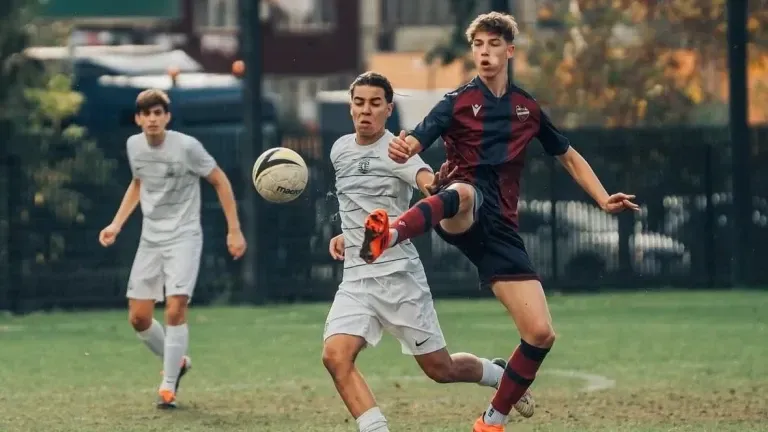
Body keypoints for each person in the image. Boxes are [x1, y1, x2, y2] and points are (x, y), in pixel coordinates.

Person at [358, 13, 640, 432]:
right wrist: (405, 147)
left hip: (501, 231)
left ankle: (492, 420)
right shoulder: (455, 101)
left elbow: (567, 155)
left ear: (510, 50)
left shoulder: (527, 108)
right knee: (467, 192)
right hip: (457, 209)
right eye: (478, 46)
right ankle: (390, 234)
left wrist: (602, 198)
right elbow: (418, 138)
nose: (485, 53)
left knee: (541, 334)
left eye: (493, 45)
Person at [323, 71, 532, 432]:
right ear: (350, 107)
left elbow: (425, 183)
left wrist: (434, 183)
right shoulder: (339, 150)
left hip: (399, 279)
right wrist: (344, 235)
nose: (366, 111)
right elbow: (354, 203)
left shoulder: (398, 152)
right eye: (359, 103)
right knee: (335, 357)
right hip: (357, 281)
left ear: (389, 109)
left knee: (441, 369)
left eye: (375, 104)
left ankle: (498, 373)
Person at [98, 89, 246, 408]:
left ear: (167, 117)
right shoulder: (133, 146)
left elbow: (220, 180)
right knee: (138, 318)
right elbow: (139, 183)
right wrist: (116, 224)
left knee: (176, 307)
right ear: (138, 119)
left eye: (158, 113)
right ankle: (177, 361)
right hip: (151, 238)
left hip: (184, 236)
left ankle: (168, 385)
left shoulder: (188, 147)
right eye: (146, 114)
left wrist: (234, 230)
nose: (152, 119)